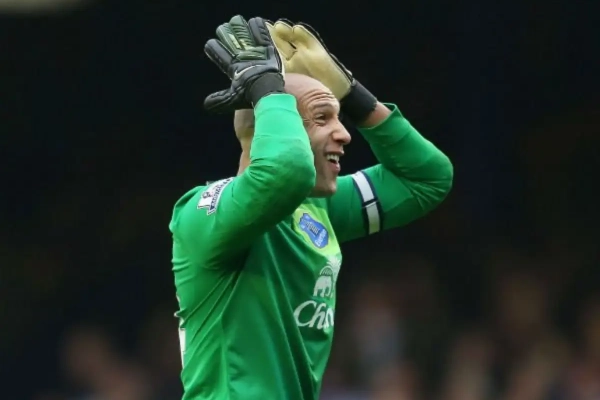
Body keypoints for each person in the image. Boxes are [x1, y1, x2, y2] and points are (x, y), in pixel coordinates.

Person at [169, 15, 453, 400]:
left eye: (340, 117)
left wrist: (352, 94)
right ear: (271, 129)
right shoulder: (201, 214)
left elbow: (427, 179)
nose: (345, 133)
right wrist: (266, 87)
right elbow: (284, 172)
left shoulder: (317, 210)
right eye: (322, 118)